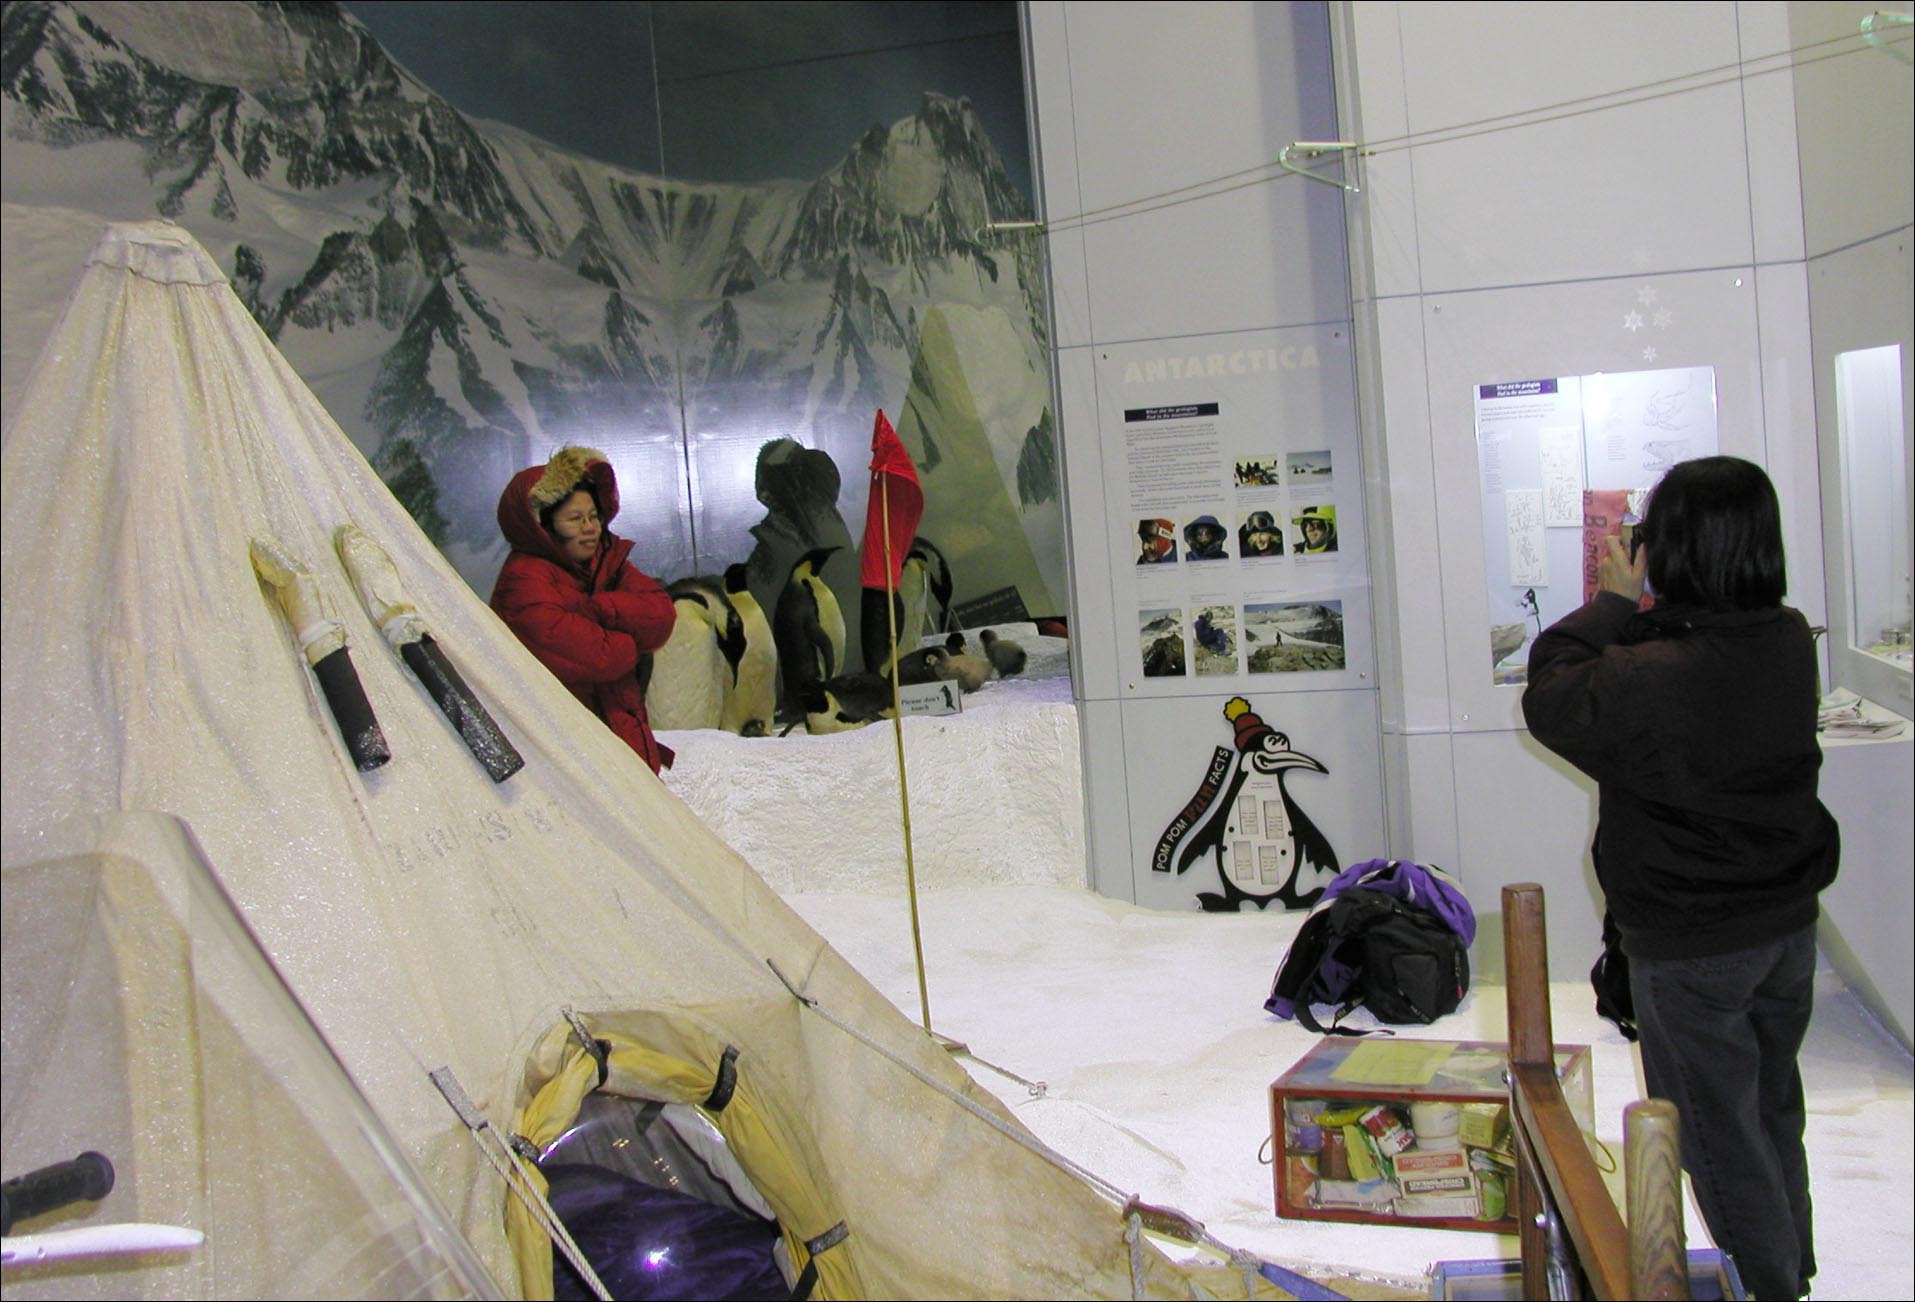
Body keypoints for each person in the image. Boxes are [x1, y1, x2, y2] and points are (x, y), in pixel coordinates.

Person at [1522, 456, 1837, 1302]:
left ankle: (1768, 1287)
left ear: (1674, 546)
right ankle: (1791, 1266)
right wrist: (1636, 612)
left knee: (1714, 1140)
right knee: (1768, 1110)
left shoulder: (1658, 671)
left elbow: (1552, 691)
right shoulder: (1779, 636)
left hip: (1695, 946)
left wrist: (1616, 597)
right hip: (1783, 925)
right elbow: (1653, 660)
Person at [492, 446, 678, 773]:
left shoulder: (605, 562)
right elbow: (604, 657)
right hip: (568, 760)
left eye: (593, 516)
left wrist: (598, 608)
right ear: (543, 525)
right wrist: (628, 637)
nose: (590, 527)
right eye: (575, 519)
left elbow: (660, 617)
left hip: (617, 738)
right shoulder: (523, 582)